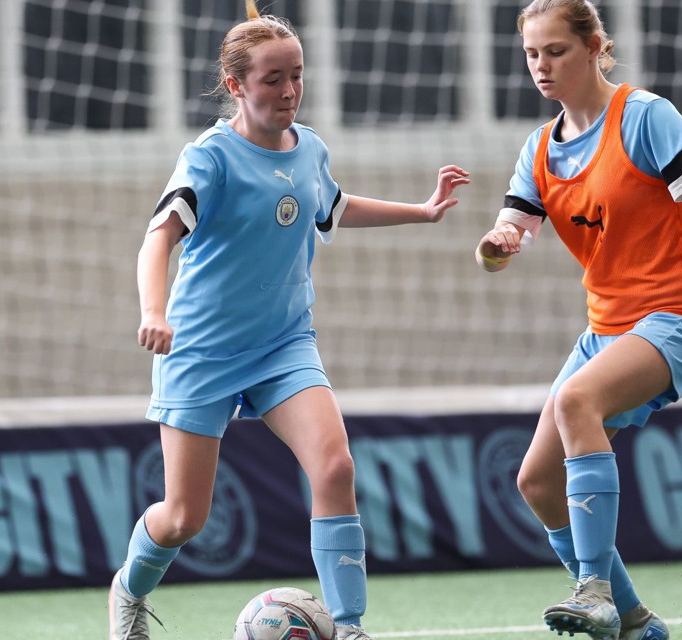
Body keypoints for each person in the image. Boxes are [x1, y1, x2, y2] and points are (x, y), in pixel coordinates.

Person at [107, 2, 470, 640]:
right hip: (200, 351)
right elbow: (156, 239)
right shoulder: (209, 159)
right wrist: (153, 311)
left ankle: (351, 627)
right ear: (236, 86)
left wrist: (422, 210)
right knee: (186, 517)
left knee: (335, 468)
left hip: (284, 344)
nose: (289, 90)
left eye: (296, 75)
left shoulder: (310, 150)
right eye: (273, 78)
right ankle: (128, 590)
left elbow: (331, 207)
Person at [475, 1, 682, 639]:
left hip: (675, 319)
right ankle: (634, 623)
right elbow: (504, 238)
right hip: (605, 331)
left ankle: (594, 589)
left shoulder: (643, 115)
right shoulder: (541, 147)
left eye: (556, 51)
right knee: (537, 482)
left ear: (595, 46)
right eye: (531, 54)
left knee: (576, 401)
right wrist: (497, 245)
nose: (541, 67)